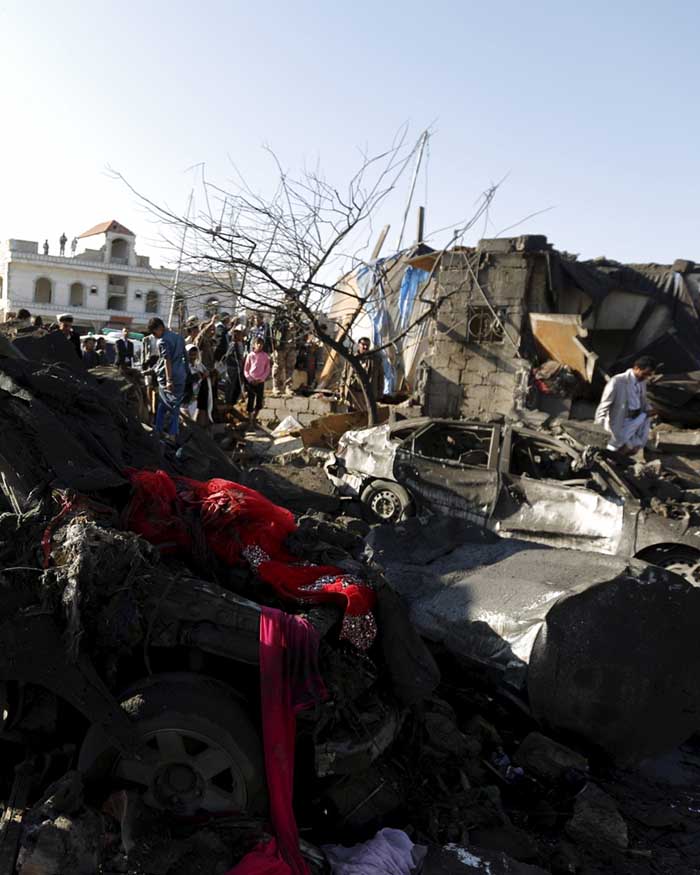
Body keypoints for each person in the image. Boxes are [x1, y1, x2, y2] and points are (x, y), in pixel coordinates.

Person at [595, 356, 657, 454]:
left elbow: (642, 400)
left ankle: (617, 463)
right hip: (621, 420)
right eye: (645, 374)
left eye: (648, 375)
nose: (646, 377)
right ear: (636, 368)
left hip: (636, 419)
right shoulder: (618, 381)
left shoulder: (642, 383)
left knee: (635, 446)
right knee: (614, 447)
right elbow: (605, 404)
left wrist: (648, 411)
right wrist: (599, 425)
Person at [148, 317, 188, 437]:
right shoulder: (179, 338)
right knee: (174, 405)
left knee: (165, 404)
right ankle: (171, 433)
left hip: (168, 377)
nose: (155, 336)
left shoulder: (163, 341)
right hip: (180, 375)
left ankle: (162, 431)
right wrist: (185, 372)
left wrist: (169, 380)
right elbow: (185, 358)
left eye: (154, 333)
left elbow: (167, 360)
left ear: (159, 328)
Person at [346, 337, 383, 411]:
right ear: (358, 345)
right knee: (352, 416)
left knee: (367, 415)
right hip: (354, 393)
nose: (365, 347)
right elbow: (344, 374)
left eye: (367, 345)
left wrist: (380, 393)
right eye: (363, 344)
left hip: (368, 394)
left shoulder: (375, 360)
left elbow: (380, 377)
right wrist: (342, 390)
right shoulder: (351, 358)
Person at [244, 336, 271, 426]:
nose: (259, 345)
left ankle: (254, 418)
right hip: (251, 382)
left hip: (260, 382)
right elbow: (246, 370)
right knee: (250, 402)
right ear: (254, 345)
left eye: (261, 344)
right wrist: (250, 379)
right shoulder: (250, 355)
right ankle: (250, 422)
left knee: (259, 402)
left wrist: (261, 379)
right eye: (257, 343)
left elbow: (267, 370)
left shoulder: (265, 356)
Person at [270, 308, 298, 396]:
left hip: (292, 346)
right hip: (280, 346)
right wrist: (286, 326)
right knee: (278, 367)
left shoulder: (295, 314)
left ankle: (288, 388)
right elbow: (273, 326)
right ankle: (276, 387)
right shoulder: (280, 313)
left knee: (290, 368)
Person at [223, 323, 246, 406]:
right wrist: (237, 360)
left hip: (238, 367)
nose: (239, 335)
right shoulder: (233, 344)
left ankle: (234, 401)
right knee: (230, 385)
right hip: (232, 367)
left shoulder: (241, 343)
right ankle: (228, 401)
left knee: (237, 385)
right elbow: (227, 356)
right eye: (237, 333)